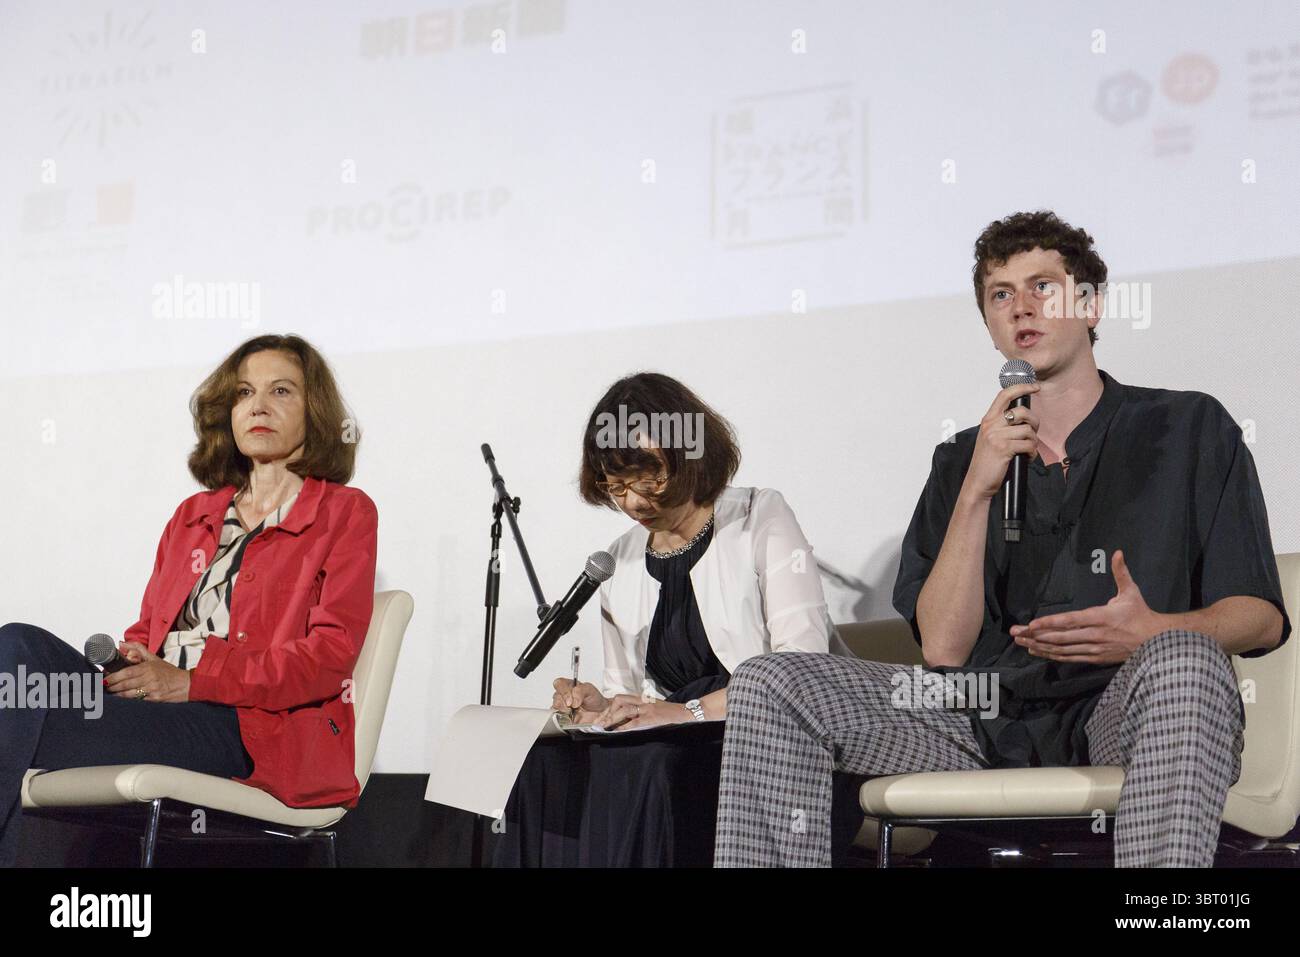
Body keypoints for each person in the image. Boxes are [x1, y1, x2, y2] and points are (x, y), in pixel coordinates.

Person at [714, 210, 1291, 868]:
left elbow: (1260, 616)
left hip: (1127, 704)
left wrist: (1152, 632)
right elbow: (944, 648)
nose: (1022, 306)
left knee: (1186, 662)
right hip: (973, 710)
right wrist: (977, 489)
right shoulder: (962, 458)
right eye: (1000, 294)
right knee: (771, 683)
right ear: (989, 326)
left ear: (1091, 302)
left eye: (1043, 285)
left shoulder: (1189, 427)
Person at [1, 334, 378, 866]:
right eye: (245, 392)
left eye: (282, 391)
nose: (259, 406)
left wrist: (194, 681)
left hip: (236, 726)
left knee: (21, 718)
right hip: (152, 707)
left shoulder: (345, 513)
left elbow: (328, 659)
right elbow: (149, 629)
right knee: (18, 653)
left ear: (314, 410)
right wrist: (133, 659)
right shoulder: (193, 515)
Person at [492, 371, 853, 867]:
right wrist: (601, 707)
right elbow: (636, 698)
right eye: (617, 486)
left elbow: (801, 670)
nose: (635, 502)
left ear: (690, 457)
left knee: (657, 766)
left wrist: (688, 713)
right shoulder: (621, 559)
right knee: (540, 766)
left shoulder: (758, 516)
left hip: (769, 741)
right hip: (676, 737)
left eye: (650, 477)